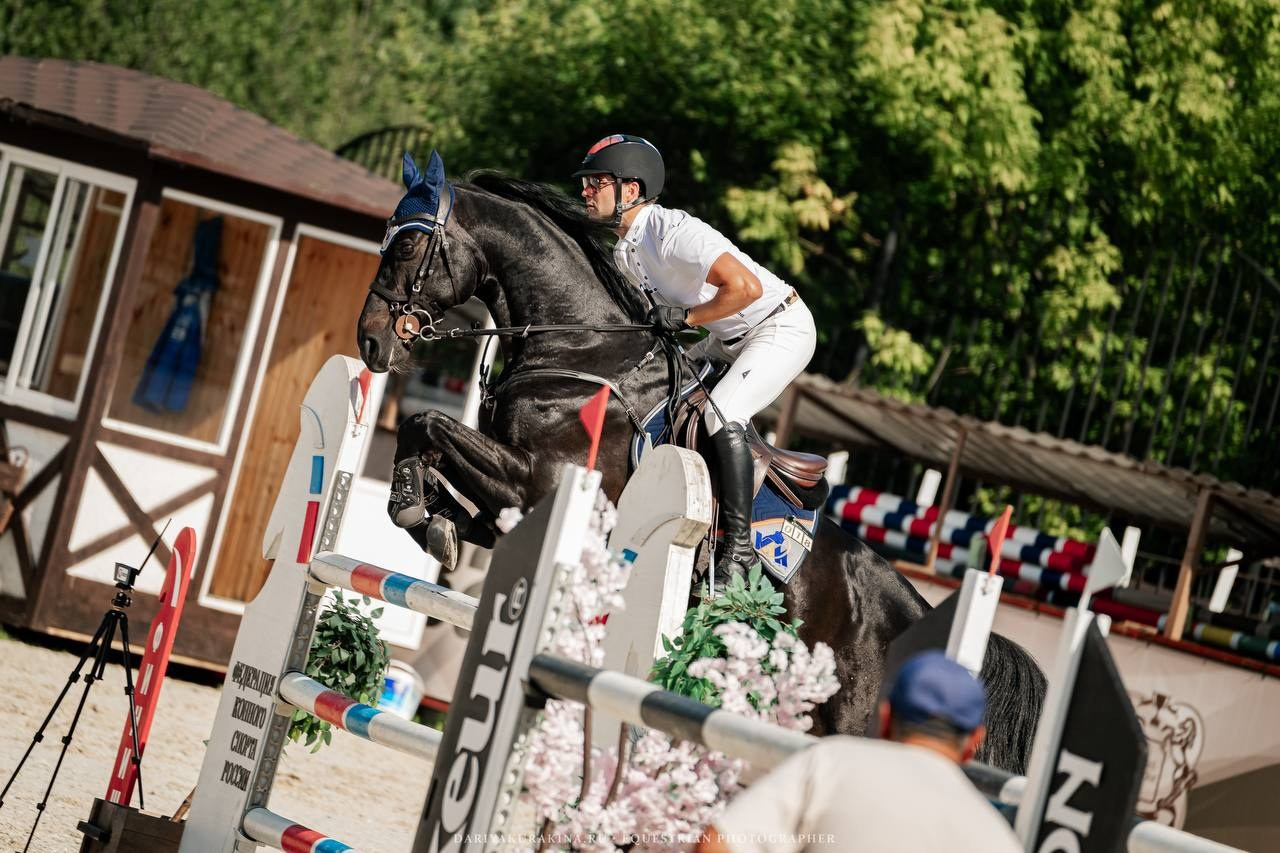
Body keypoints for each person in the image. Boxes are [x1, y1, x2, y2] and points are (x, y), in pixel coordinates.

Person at [574, 134, 817, 589]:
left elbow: (746, 289)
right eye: (586, 183)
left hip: (780, 326)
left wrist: (686, 317)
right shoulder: (624, 250)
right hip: (726, 337)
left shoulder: (672, 232)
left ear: (630, 190)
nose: (585, 190)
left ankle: (740, 548)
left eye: (596, 182)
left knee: (721, 412)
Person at [697, 651, 1023, 852]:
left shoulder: (832, 761)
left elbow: (720, 843)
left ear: (885, 718)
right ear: (973, 743)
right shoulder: (997, 839)